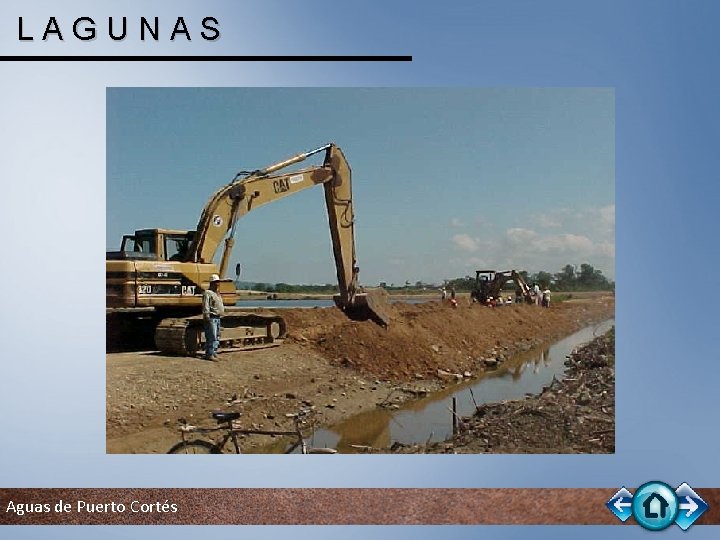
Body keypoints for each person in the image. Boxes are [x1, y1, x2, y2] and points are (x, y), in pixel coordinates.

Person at [202, 274, 225, 360]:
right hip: (211, 317)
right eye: (216, 282)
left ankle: (214, 352)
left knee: (217, 336)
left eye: (218, 282)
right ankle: (209, 354)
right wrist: (206, 315)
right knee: (212, 336)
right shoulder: (208, 293)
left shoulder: (217, 294)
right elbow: (206, 305)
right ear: (212, 283)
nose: (218, 284)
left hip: (217, 317)